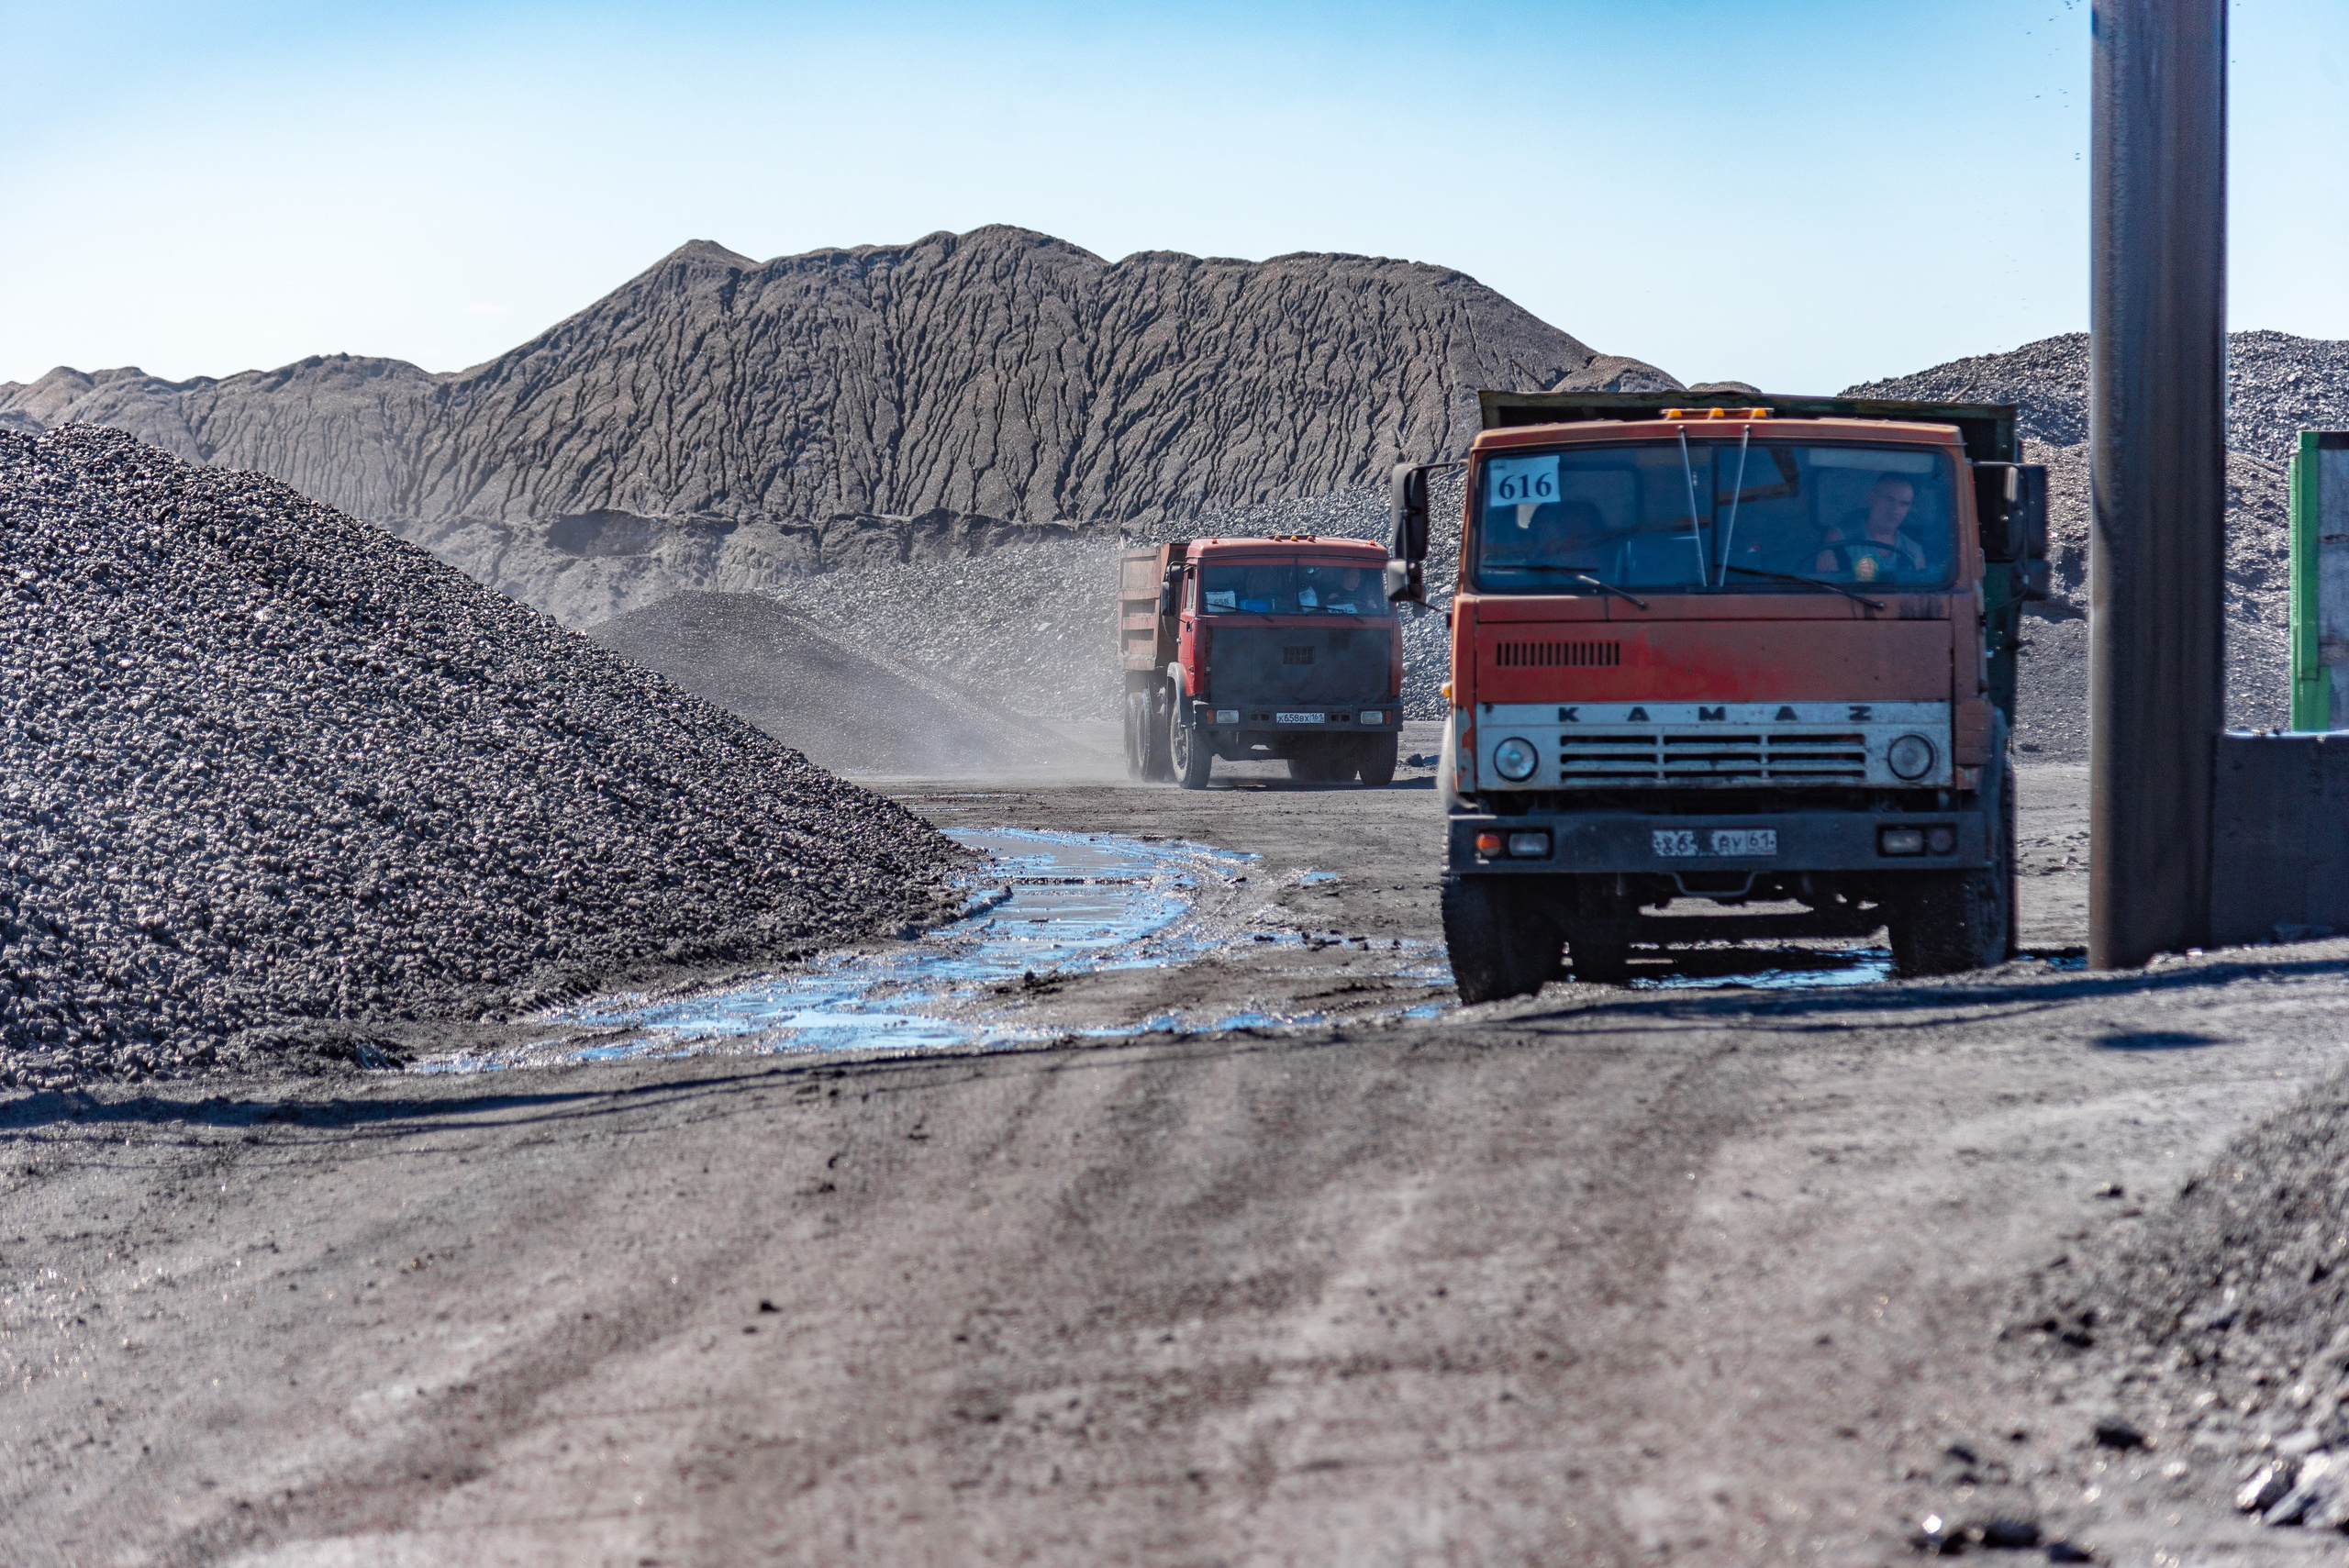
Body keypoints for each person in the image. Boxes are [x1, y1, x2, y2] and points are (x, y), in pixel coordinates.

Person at [1816, 475, 1930, 582]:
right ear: (1872, 497)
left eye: (1904, 504)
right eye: (1889, 500)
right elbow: (1827, 590)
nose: (1895, 510)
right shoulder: (1838, 538)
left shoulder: (1915, 553)